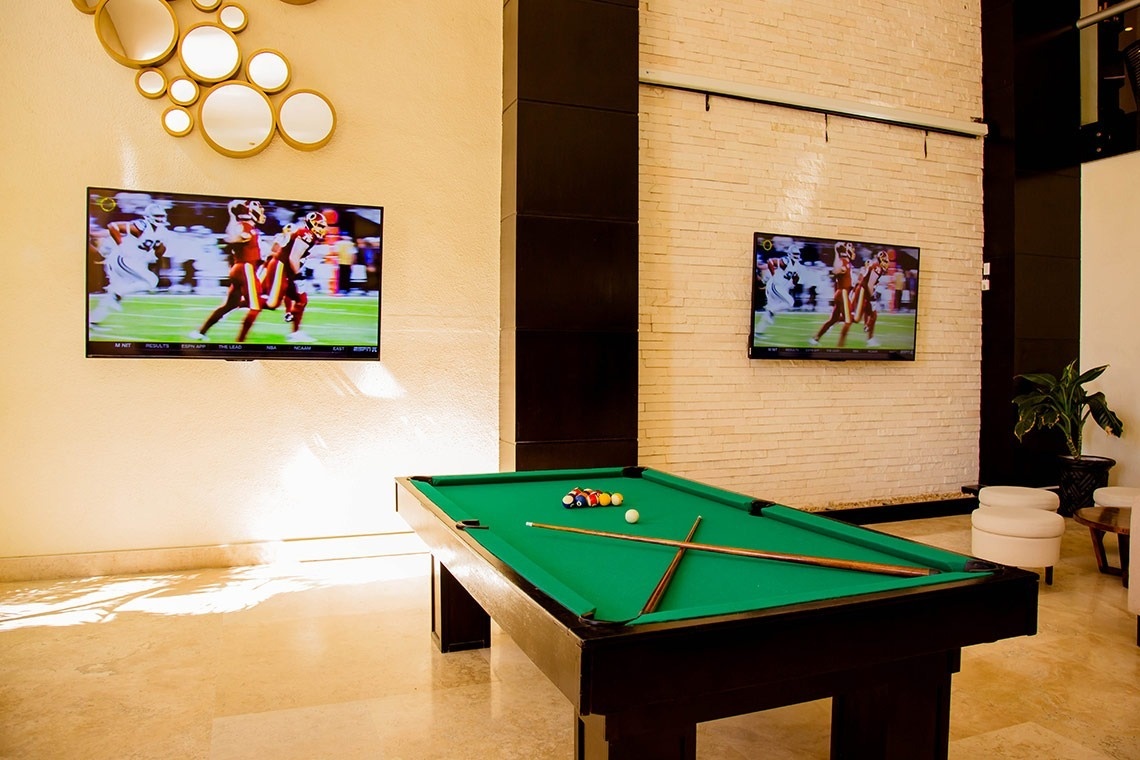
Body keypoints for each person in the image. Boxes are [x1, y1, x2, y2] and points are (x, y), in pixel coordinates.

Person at [189, 199, 268, 342]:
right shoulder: (244, 227)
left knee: (230, 305)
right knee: (256, 307)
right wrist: (232, 216)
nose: (262, 213)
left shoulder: (249, 228)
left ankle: (200, 332)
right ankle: (240, 342)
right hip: (245, 268)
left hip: (241, 268)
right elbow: (231, 238)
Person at [89, 203, 170, 327]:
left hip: (132, 262)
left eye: (161, 216)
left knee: (116, 291)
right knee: (152, 280)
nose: (160, 219)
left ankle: (93, 320)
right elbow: (113, 226)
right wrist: (121, 246)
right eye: (157, 216)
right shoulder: (142, 225)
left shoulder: (161, 232)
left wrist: (160, 246)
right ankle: (117, 294)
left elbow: (158, 253)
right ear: (149, 216)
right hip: (123, 259)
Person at [260, 211, 330, 342]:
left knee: (301, 299)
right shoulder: (307, 235)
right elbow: (293, 257)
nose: (323, 229)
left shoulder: (309, 236)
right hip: (280, 267)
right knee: (272, 304)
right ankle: (240, 302)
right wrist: (298, 276)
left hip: (287, 270)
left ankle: (295, 333)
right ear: (312, 224)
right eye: (320, 225)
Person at [810, 241, 856, 346]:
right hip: (843, 293)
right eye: (852, 249)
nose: (854, 251)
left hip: (842, 293)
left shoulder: (847, 262)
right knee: (848, 321)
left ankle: (815, 338)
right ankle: (840, 346)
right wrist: (836, 252)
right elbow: (836, 271)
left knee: (833, 320)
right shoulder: (843, 261)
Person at [754, 237, 802, 334]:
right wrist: (774, 274)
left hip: (779, 287)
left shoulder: (796, 265)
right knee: (790, 302)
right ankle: (770, 310)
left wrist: (793, 283)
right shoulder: (786, 261)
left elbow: (795, 277)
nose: (796, 256)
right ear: (790, 253)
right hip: (775, 285)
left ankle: (758, 331)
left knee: (771, 312)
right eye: (795, 254)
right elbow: (770, 262)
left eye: (797, 254)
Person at [849, 250, 891, 347]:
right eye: (885, 261)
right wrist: (872, 298)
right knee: (856, 319)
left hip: (866, 292)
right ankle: (837, 319)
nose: (886, 263)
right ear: (880, 260)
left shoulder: (876, 266)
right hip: (863, 292)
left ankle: (870, 338)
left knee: (873, 315)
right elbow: (869, 284)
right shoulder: (877, 267)